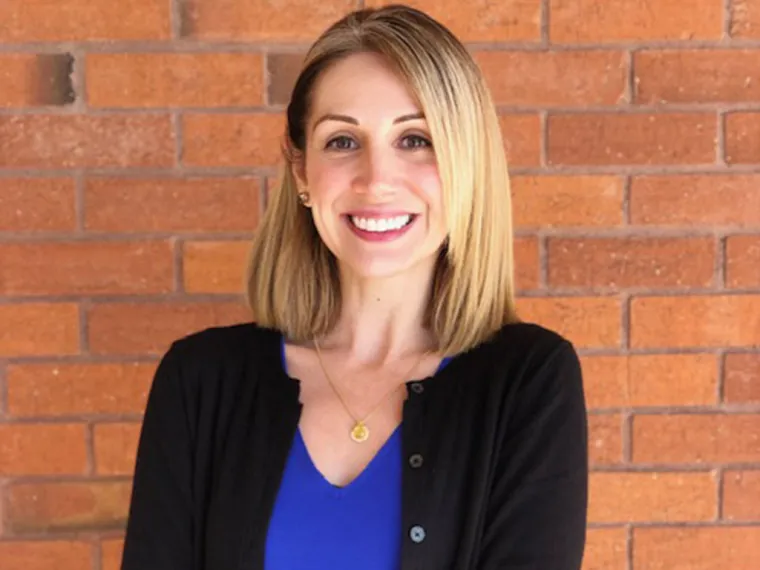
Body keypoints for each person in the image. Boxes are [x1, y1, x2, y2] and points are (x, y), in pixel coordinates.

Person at [120, 4, 588, 570]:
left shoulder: (526, 382)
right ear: (300, 171)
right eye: (343, 141)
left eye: (415, 139)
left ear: (466, 163)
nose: (376, 180)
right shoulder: (200, 382)